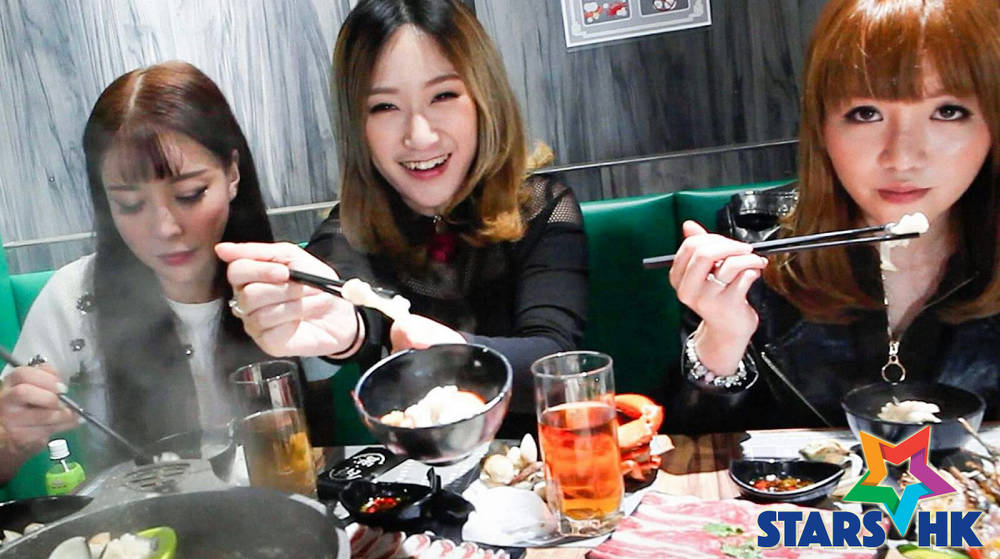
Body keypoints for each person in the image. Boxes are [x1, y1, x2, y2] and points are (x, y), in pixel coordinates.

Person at [217, 0, 587, 435]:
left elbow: (557, 361)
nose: (420, 135)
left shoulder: (542, 207)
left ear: (483, 99)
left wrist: (455, 350)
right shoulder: (349, 230)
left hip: (545, 465)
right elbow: (352, 309)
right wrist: (347, 331)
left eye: (443, 95)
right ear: (358, 126)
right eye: (384, 107)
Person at [671, 0, 1000, 430]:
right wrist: (722, 341)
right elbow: (695, 447)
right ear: (822, 128)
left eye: (947, 111)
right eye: (866, 113)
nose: (902, 157)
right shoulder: (755, 242)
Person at [0, 61, 279, 482]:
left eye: (190, 194)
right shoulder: (75, 297)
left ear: (232, 173)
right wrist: (10, 436)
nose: (165, 228)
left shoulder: (282, 281)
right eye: (130, 205)